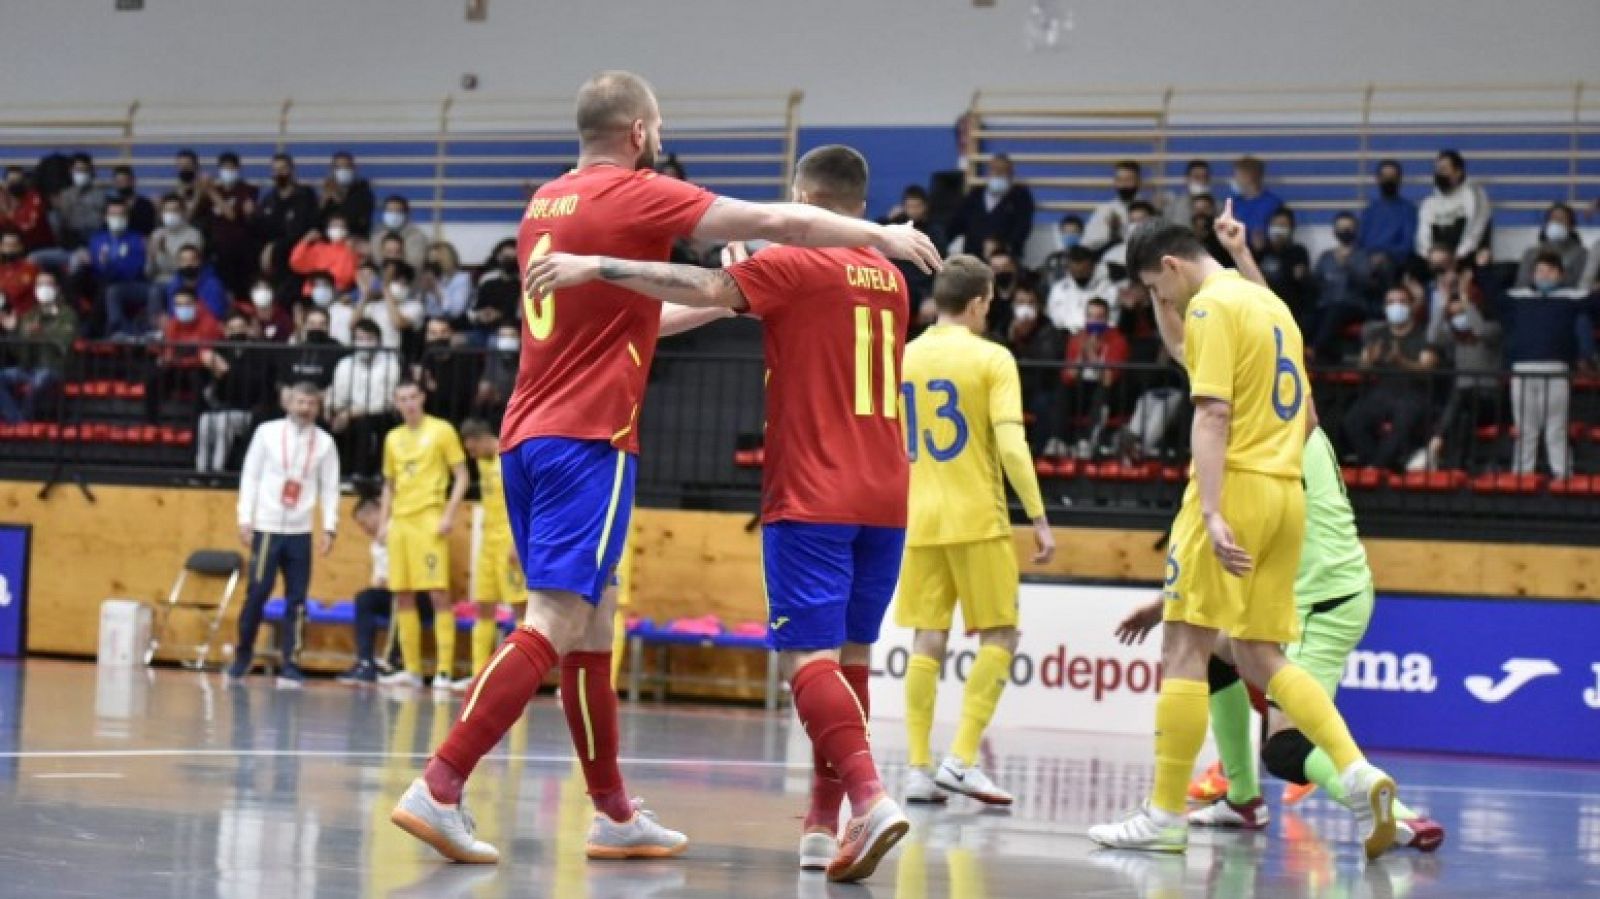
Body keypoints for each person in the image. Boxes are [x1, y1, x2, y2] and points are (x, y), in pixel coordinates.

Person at [390, 70, 939, 870]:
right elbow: (770, 218)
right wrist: (880, 236)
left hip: (527, 429)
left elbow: (662, 309)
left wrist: (728, 293)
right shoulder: (641, 194)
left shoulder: (546, 202)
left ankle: (612, 811)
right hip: (592, 436)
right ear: (641, 133)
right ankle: (441, 782)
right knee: (554, 618)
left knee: (593, 623)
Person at [530, 143, 928, 883]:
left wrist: (599, 270)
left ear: (801, 197)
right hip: (886, 491)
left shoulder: (798, 265)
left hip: (815, 487)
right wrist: (749, 271)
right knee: (852, 657)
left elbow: (705, 291)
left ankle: (869, 797)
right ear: (863, 205)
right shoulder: (890, 275)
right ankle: (821, 823)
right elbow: (733, 304)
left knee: (805, 660)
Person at [1087, 208, 1399, 860]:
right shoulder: (1269, 306)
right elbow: (1308, 412)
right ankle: (1355, 770)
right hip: (1288, 494)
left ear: (1170, 266)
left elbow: (1212, 409)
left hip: (1235, 486)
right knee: (1261, 655)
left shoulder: (1209, 307)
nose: (1161, 301)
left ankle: (1165, 814)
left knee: (1183, 644)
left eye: (1156, 287)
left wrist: (1210, 510)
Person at [1116, 425, 1445, 852]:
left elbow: (1224, 540)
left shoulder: (1256, 445)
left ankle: (1403, 817)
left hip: (1318, 604)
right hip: (1333, 588)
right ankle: (1242, 799)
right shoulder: (1295, 421)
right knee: (1214, 649)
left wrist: (1165, 603)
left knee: (1286, 748)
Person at [891, 254, 1055, 811]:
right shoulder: (993, 358)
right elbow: (1011, 444)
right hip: (977, 515)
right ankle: (961, 759)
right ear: (981, 300)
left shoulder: (904, 355)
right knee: (1001, 635)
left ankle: (917, 768)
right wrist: (1037, 514)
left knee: (926, 639)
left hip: (917, 515)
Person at [230, 382, 341, 687]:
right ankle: (243, 655)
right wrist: (245, 518)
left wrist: (329, 527)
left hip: (300, 530)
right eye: (300, 402)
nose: (305, 408)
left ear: (318, 408)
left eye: (311, 404)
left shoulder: (325, 443)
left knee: (297, 599)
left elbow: (330, 488)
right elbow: (250, 475)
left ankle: (291, 661)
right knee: (257, 592)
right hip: (266, 527)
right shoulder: (267, 432)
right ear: (288, 403)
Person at [374, 380, 469, 694]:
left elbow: (462, 477)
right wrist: (384, 522)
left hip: (429, 519)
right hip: (400, 522)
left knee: (438, 594)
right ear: (396, 403)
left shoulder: (442, 430)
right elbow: (389, 483)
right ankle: (412, 670)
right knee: (402, 593)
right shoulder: (392, 438)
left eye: (413, 397)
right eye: (402, 398)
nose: (409, 403)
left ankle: (443, 671)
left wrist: (448, 515)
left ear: (423, 398)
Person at [1502, 253, 1593, 481]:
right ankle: (1522, 476)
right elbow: (1493, 304)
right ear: (1532, 274)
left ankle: (1563, 475)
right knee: (1525, 428)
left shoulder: (1573, 297)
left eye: (1550, 271)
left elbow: (1593, 305)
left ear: (1561, 275)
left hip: (1556, 368)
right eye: (1540, 271)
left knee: (1556, 426)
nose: (1544, 275)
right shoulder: (1517, 297)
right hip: (1522, 368)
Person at [1343, 286, 1442, 471]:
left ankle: (1377, 467)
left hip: (1414, 394)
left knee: (1403, 421)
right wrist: (1369, 363)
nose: (1396, 306)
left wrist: (1401, 361)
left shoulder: (1424, 335)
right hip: (1383, 392)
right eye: (1390, 302)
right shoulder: (1378, 335)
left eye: (1401, 302)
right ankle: (1374, 463)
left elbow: (1427, 369)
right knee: (1353, 419)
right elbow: (1363, 367)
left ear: (1412, 306)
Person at [459, 419, 521, 680]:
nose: (472, 456)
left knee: (521, 609)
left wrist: (520, 542)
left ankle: (522, 677)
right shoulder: (483, 463)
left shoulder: (512, 459)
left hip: (510, 540)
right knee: (483, 605)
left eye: (473, 449)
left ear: (484, 439)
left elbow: (525, 503)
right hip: (488, 542)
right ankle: (479, 675)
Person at [1427, 288, 1503, 471]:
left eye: (1461, 313)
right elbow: (1433, 337)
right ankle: (1458, 467)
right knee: (1464, 415)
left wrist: (1467, 305)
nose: (1458, 318)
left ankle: (1437, 440)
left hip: (1489, 398)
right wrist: (1441, 309)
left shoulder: (1493, 329)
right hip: (1464, 402)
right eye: (1453, 315)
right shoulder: (1456, 336)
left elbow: (1480, 330)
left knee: (1463, 398)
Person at [198, 312, 275, 474]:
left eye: (241, 328)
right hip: (222, 407)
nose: (237, 332)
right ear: (225, 331)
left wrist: (229, 372)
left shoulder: (260, 351)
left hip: (249, 410)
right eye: (232, 328)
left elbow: (257, 383)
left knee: (223, 423)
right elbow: (212, 386)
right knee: (205, 421)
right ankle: (201, 471)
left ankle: (218, 471)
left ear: (248, 329)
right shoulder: (220, 350)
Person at [0, 272, 76, 424]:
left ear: (57, 288)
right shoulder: (29, 315)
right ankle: (18, 421)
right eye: (39, 285)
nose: (43, 288)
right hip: (29, 367)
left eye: (47, 284)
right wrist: (13, 331)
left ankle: (23, 420)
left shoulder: (67, 315)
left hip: (54, 368)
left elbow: (63, 343)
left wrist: (40, 333)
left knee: (40, 379)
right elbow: (19, 352)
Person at [328, 319, 401, 478]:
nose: (364, 343)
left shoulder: (391, 363)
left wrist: (353, 413)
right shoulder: (344, 364)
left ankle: (363, 475)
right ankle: (341, 475)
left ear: (378, 341)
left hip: (381, 414)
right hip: (348, 414)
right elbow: (339, 396)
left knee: (366, 424)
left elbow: (386, 401)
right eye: (360, 339)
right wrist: (337, 411)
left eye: (369, 339)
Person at [1060, 297, 1131, 458]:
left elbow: (1108, 380)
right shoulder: (1077, 338)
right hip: (1082, 388)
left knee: (1102, 392)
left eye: (1099, 317)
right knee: (1061, 391)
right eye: (1091, 316)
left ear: (1107, 319)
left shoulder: (1117, 340)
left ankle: (1087, 442)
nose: (1094, 321)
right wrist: (1081, 355)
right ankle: (1058, 441)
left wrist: (1092, 356)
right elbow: (1068, 377)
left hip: (1109, 393)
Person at [336, 496, 395, 685]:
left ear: (377, 513)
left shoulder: (397, 529)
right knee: (365, 599)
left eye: (364, 523)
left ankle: (393, 662)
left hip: (413, 592)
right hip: (392, 592)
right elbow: (379, 581)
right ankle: (365, 661)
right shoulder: (375, 544)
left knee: (398, 599)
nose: (364, 529)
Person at [1004, 281, 1067, 455]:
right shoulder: (1004, 327)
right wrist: (1012, 339)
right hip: (1008, 388)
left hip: (1038, 388)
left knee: (1044, 402)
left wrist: (1025, 339)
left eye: (1030, 303)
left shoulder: (1049, 330)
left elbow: (1047, 362)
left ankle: (1039, 454)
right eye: (1020, 303)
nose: (1025, 308)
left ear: (1039, 307)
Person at [145, 287, 223, 423]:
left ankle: (197, 424)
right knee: (153, 379)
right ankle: (152, 424)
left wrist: (179, 357)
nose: (182, 308)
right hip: (178, 368)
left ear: (196, 304)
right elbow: (170, 351)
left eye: (186, 304)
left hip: (202, 370)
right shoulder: (173, 323)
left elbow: (204, 355)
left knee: (197, 380)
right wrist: (169, 358)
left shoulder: (209, 323)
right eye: (178, 305)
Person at [1307, 212, 1376, 361]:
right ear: (1334, 231)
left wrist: (1347, 267)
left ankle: (1315, 350)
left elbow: (1367, 284)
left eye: (1348, 228)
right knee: (1308, 319)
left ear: (1356, 230)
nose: (1345, 231)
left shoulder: (1363, 256)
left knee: (1334, 312)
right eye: (1341, 228)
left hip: (1353, 306)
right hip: (1325, 305)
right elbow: (1315, 282)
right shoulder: (1326, 256)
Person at [83, 199, 151, 337]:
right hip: (98, 280)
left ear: (127, 218)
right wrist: (99, 265)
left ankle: (93, 329)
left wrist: (106, 265)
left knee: (107, 286)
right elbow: (93, 264)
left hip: (126, 282)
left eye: (121, 215)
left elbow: (132, 269)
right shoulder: (97, 239)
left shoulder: (137, 240)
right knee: (76, 277)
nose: (117, 219)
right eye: (113, 215)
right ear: (106, 217)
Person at [198, 152, 260, 298]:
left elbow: (232, 215)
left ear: (238, 169)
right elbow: (195, 213)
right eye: (224, 168)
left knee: (239, 290)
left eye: (231, 168)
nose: (228, 172)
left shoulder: (247, 190)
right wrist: (200, 191)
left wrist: (211, 191)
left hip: (239, 250)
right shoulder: (213, 191)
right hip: (216, 248)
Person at [948, 154, 1034, 259]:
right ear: (988, 172)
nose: (997, 174)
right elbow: (957, 223)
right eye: (994, 170)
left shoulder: (1020, 197)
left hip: (1005, 256)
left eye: (1002, 171)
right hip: (972, 254)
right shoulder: (975, 195)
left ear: (1011, 174)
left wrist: (1001, 245)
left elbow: (1022, 227)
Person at [1417, 150, 1492, 262]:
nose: (1439, 174)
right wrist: (1430, 256)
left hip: (1465, 256)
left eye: (1444, 170)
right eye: (1437, 170)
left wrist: (1456, 257)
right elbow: (1423, 236)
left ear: (1458, 172)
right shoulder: (1429, 203)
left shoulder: (1474, 194)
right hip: (1435, 259)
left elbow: (1475, 230)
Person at [256, 153, 319, 277]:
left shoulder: (305, 195)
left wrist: (273, 247)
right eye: (275, 170)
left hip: (298, 251)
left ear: (292, 170)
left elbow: (300, 230)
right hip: (273, 252)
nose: (279, 174)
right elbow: (263, 229)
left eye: (283, 169)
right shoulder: (269, 200)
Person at [1358, 159, 1417, 279]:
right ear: (1378, 179)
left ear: (1400, 180)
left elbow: (1407, 245)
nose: (1388, 180)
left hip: (1393, 262)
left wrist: (1385, 255)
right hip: (1367, 261)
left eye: (1392, 177)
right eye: (1384, 176)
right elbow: (1359, 242)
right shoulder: (1369, 210)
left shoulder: (1408, 210)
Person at [417, 317, 479, 421]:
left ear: (451, 334)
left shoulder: (464, 361)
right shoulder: (422, 360)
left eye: (444, 331)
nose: (439, 337)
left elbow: (463, 396)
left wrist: (432, 385)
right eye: (433, 333)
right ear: (426, 336)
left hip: (458, 419)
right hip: (426, 421)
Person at [1255, 207, 1312, 320]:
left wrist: (1301, 275)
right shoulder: (1260, 251)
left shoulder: (1298, 251)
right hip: (1261, 305)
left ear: (1291, 229)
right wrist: (1257, 251)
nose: (1278, 229)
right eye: (1275, 225)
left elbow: (1300, 280)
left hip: (1288, 307)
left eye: (1283, 225)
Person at [1082, 160, 1150, 253]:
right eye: (1120, 180)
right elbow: (1088, 243)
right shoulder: (1104, 210)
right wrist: (1111, 232)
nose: (1124, 185)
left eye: (1128, 180)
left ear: (1138, 181)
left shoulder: (1149, 210)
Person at [1515, 203, 1587, 289]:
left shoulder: (1581, 253)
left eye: (1562, 219)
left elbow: (1582, 284)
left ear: (1571, 226)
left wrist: (1556, 280)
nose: (1556, 222)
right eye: (1553, 218)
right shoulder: (1531, 253)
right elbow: (1522, 283)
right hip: (1534, 299)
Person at [1045, 245, 1114, 334]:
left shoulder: (1108, 288)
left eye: (1082, 272)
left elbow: (1112, 321)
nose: (1078, 275)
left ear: (1093, 267)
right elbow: (1053, 318)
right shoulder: (1058, 289)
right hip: (1064, 336)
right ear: (1068, 268)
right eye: (1074, 272)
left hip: (1099, 335)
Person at [289, 213, 361, 292]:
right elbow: (296, 263)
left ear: (347, 230)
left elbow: (347, 277)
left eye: (341, 226)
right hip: (312, 293)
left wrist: (350, 251)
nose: (337, 229)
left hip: (336, 293)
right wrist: (305, 241)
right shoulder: (319, 248)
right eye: (334, 226)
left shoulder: (350, 250)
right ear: (328, 229)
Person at [1224, 156, 1283, 249]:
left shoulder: (1273, 203)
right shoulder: (1234, 203)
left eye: (1237, 176)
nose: (1235, 179)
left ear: (1248, 177)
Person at [466, 240, 520, 342]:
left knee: (505, 335)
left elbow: (521, 315)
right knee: (458, 339)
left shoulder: (523, 282)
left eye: (513, 258)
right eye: (506, 257)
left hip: (511, 329)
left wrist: (501, 315)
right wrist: (480, 315)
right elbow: (472, 310)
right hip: (483, 328)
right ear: (498, 257)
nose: (509, 262)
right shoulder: (487, 279)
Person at [147, 194, 206, 284]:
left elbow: (189, 269)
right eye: (167, 210)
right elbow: (149, 273)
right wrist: (151, 258)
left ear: (183, 212)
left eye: (175, 210)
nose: (170, 214)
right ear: (161, 213)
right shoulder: (156, 234)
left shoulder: (194, 235)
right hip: (159, 282)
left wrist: (164, 251)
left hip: (184, 282)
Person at [54, 153, 108, 250]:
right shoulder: (65, 194)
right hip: (71, 241)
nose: (81, 174)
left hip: (93, 239)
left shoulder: (100, 195)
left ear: (90, 172)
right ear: (71, 171)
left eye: (84, 170)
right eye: (78, 170)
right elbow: (64, 221)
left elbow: (99, 222)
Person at [163, 244, 229, 321]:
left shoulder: (213, 285)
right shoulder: (173, 286)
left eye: (192, 260)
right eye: (184, 261)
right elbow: (172, 313)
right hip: (182, 327)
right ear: (179, 263)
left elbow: (216, 313)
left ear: (199, 261)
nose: (188, 264)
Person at [320, 151, 375, 237]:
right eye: (338, 167)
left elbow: (358, 221)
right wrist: (323, 202)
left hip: (354, 240)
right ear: (332, 170)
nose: (343, 170)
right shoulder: (327, 193)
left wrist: (339, 199)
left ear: (354, 168)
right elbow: (318, 221)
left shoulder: (364, 193)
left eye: (347, 167)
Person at [0, 167, 55, 252]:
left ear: (24, 182)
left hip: (37, 247)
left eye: (18, 181)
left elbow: (28, 227)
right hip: (10, 246)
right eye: (12, 181)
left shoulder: (34, 197)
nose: (15, 184)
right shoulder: (4, 198)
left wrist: (8, 214)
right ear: (6, 183)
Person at [419, 241, 473, 325]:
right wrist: (424, 290)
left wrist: (436, 289)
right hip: (431, 322)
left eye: (436, 261)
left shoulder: (462, 278)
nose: (433, 265)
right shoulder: (433, 277)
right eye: (430, 261)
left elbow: (455, 311)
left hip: (453, 324)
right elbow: (424, 308)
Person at [371, 196, 429, 270]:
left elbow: (415, 264)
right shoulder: (377, 233)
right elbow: (375, 259)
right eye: (390, 210)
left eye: (398, 211)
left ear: (406, 214)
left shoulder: (416, 236)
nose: (393, 214)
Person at [0, 228, 40, 317]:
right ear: (1, 247)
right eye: (6, 245)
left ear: (20, 247)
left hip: (29, 317)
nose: (10, 249)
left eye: (14, 245)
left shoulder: (31, 268)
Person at [109, 166, 156, 236]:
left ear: (133, 181)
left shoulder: (145, 205)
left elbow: (149, 229)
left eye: (125, 181)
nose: (122, 184)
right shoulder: (110, 205)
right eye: (118, 181)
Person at [1164, 159, 1213, 229]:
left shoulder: (1218, 207)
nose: (1201, 181)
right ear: (1187, 179)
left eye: (1205, 177)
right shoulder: (1174, 207)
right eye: (1197, 177)